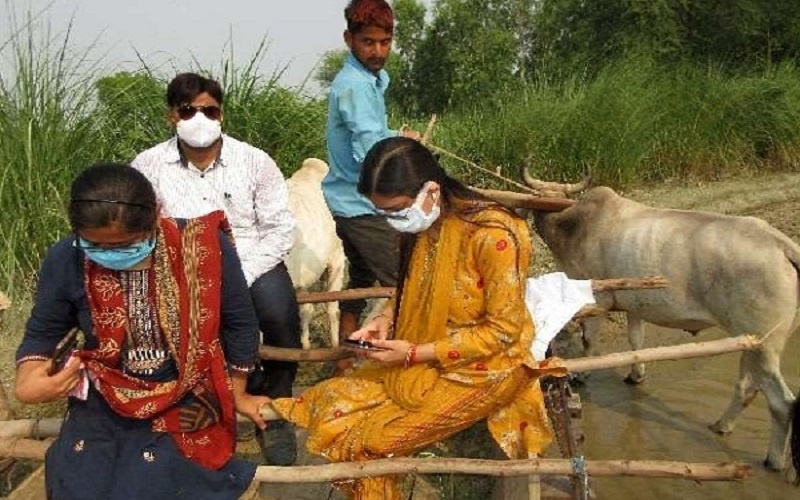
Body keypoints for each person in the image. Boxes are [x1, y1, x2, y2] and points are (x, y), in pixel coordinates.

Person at [265, 137, 567, 499]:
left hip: (485, 368)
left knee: (369, 443)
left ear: (432, 191)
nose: (392, 222)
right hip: (420, 351)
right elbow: (411, 287)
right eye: (384, 214)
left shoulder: (494, 236)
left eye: (396, 211)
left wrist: (411, 354)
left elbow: (503, 332)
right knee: (332, 405)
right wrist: (385, 319)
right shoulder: (422, 226)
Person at [14, 163, 268, 499]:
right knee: (81, 482)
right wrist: (29, 381)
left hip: (188, 392)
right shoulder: (65, 258)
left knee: (152, 482)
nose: (110, 255)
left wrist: (237, 394)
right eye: (97, 246)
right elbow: (43, 332)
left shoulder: (204, 247)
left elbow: (240, 323)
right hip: (105, 395)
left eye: (127, 244)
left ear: (157, 216)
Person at [131, 72, 300, 466]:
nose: (200, 118)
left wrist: (240, 274)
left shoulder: (255, 161)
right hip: (180, 266)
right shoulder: (147, 166)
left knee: (278, 313)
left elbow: (278, 228)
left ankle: (276, 410)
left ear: (222, 113)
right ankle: (196, 408)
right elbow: (139, 227)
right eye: (189, 110)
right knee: (165, 325)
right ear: (171, 115)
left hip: (252, 261)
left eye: (209, 110)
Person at [324, 0, 421, 339]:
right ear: (349, 39)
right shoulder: (355, 85)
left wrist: (400, 138)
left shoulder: (368, 79)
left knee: (361, 279)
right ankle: (399, 350)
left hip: (347, 200)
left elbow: (374, 135)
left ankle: (344, 357)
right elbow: (371, 153)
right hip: (362, 205)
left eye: (385, 42)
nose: (378, 50)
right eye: (368, 42)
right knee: (404, 281)